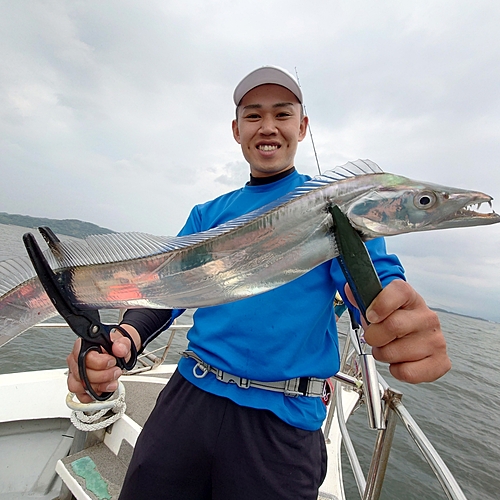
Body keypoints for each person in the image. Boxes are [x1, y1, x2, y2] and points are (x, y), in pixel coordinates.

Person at [67, 65, 451, 500]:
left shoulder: (337, 209)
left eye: (282, 114)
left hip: (282, 421)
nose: (268, 127)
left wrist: (404, 321)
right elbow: (168, 288)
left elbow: (372, 285)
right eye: (253, 115)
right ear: (236, 130)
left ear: (302, 126)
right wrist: (127, 336)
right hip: (190, 395)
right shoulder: (207, 215)